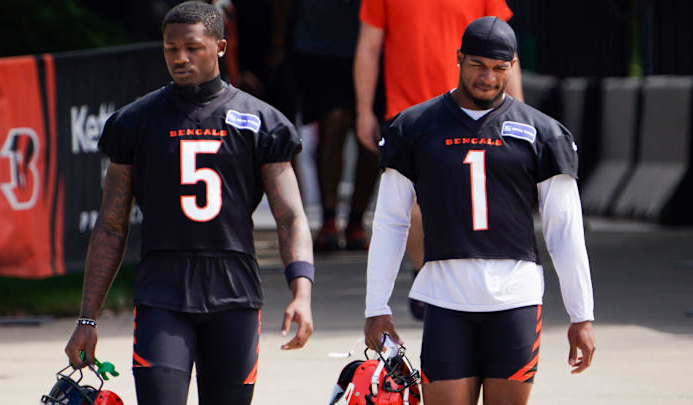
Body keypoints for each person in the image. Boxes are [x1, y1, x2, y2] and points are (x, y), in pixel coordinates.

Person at [63, 2, 314, 405]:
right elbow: (111, 224)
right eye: (170, 48)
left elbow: (290, 217)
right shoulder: (135, 121)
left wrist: (301, 292)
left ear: (220, 46)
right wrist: (87, 318)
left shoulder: (261, 121)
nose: (180, 58)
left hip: (234, 289)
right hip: (163, 288)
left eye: (192, 48)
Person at [363, 17, 595, 405]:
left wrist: (581, 316)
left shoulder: (543, 133)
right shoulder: (414, 127)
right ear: (459, 59)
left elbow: (564, 230)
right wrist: (376, 306)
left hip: (515, 301)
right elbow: (390, 222)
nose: (488, 77)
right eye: (478, 65)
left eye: (499, 68)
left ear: (513, 66)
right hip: (445, 299)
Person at [354, 0, 524, 319]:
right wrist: (364, 110)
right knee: (416, 205)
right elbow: (369, 47)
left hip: (475, 110)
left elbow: (506, 52)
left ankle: (465, 280)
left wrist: (518, 113)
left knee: (471, 199)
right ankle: (424, 275)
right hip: (408, 111)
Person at [293, 0, 381, 251]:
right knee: (333, 124)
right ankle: (328, 219)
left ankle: (356, 220)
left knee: (371, 133)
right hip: (320, 44)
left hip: (377, 41)